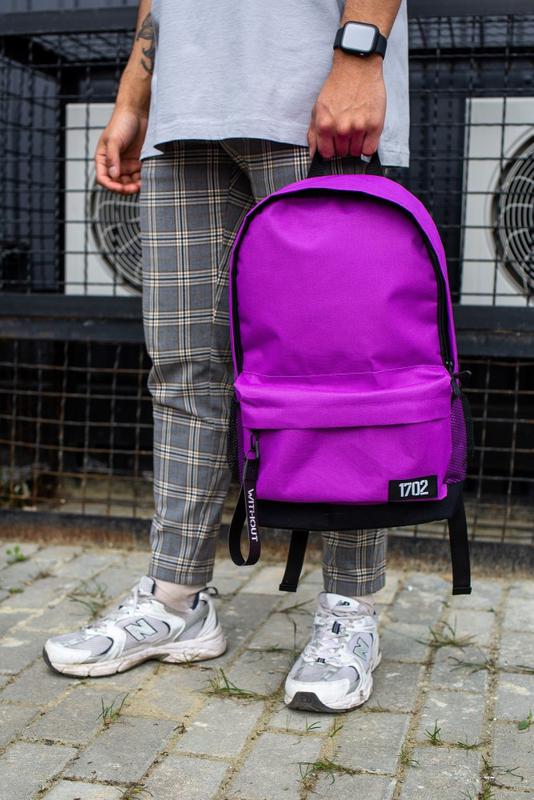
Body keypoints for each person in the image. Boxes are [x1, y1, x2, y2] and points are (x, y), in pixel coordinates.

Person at [43, 0, 409, 713]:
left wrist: (360, 54)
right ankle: (176, 599)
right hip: (183, 109)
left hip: (316, 91)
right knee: (184, 369)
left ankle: (351, 611)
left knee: (340, 373)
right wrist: (133, 96)